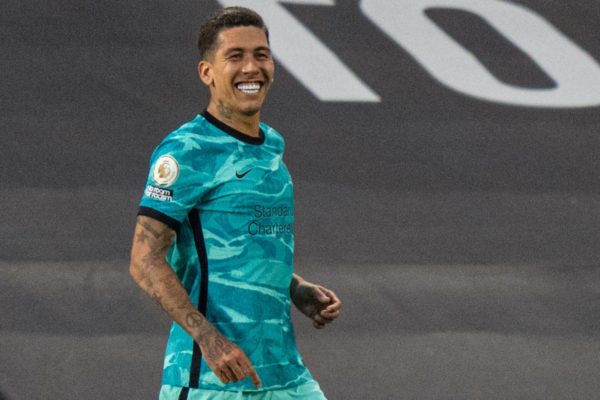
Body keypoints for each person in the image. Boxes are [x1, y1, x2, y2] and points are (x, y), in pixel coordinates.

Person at [129, 6, 342, 400]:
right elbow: (144, 259)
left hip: (285, 376)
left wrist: (292, 287)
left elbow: (235, 242)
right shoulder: (186, 150)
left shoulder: (271, 145)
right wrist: (210, 340)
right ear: (207, 73)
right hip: (213, 381)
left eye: (261, 54)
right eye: (235, 56)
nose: (251, 67)